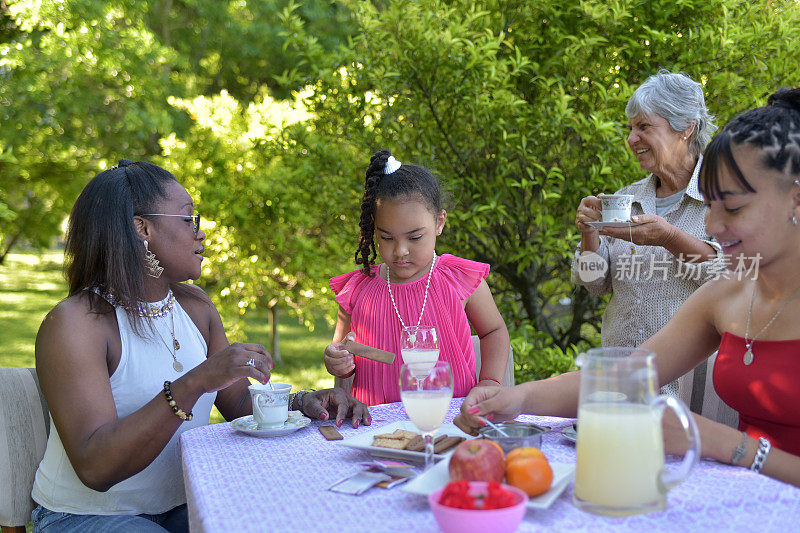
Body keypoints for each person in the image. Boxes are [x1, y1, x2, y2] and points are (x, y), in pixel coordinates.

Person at [458, 88, 800, 488]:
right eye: (709, 205)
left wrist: (726, 443)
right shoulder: (727, 294)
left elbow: (727, 444)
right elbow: (625, 374)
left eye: (734, 207)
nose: (710, 226)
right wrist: (516, 399)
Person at [30, 160, 370, 532]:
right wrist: (194, 382)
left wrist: (303, 402)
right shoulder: (76, 324)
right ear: (142, 228)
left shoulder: (195, 307)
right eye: (189, 218)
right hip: (87, 516)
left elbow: (239, 403)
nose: (201, 233)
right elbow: (96, 468)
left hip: (186, 503)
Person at [572, 68, 731, 417]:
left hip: (692, 396)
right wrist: (589, 233)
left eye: (644, 127)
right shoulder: (627, 200)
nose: (631, 138)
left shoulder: (723, 197)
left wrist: (670, 237)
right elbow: (592, 282)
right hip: (621, 389)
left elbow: (734, 278)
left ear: (686, 128)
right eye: (630, 127)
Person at [323, 149, 510, 406]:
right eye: (387, 237)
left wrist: (489, 380)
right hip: (375, 427)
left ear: (439, 223)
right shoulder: (357, 290)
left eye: (415, 237)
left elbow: (494, 330)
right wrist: (336, 361)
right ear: (373, 227)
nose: (400, 251)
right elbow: (345, 357)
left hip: (450, 420)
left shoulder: (458, 279)